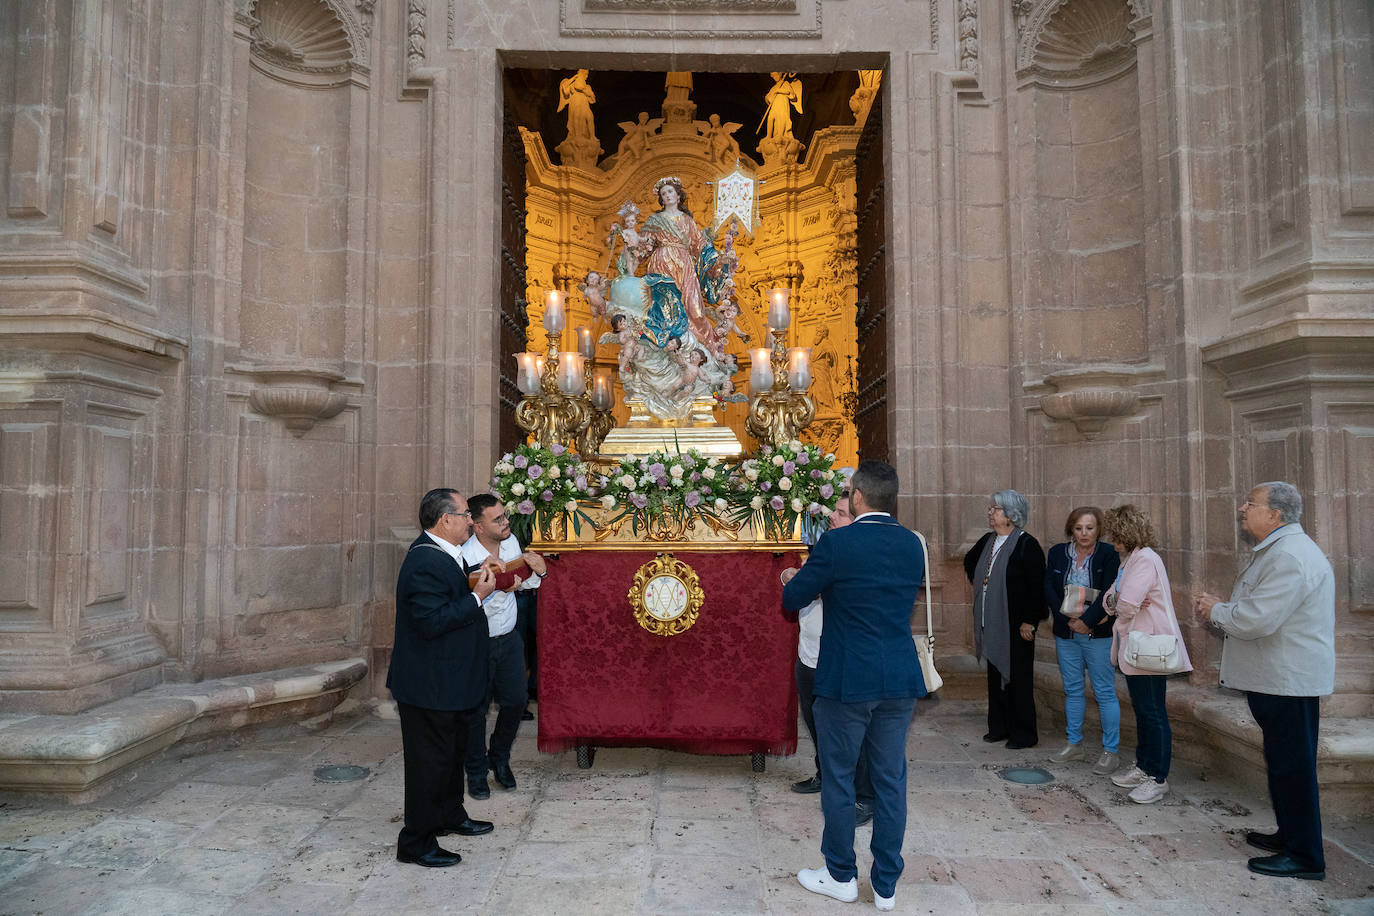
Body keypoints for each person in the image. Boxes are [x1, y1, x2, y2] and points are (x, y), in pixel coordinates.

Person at [782, 460, 926, 911]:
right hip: (898, 677)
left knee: (840, 779)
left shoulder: (837, 542)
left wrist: (800, 579)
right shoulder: (912, 544)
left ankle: (841, 874)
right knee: (890, 780)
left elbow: (792, 599)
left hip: (847, 678)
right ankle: (886, 886)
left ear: (858, 497)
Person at [1194, 482, 1334, 880]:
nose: (1242, 508)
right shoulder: (1280, 550)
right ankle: (1290, 836)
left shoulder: (1289, 555)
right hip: (1280, 678)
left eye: (1251, 504)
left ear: (1275, 515)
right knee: (1285, 764)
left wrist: (1216, 609)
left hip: (1286, 681)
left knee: (1293, 767)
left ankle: (1305, 857)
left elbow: (1257, 618)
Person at [386, 488, 497, 867]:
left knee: (451, 757)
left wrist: (473, 579)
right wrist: (478, 597)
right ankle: (416, 842)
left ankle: (450, 815)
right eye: (466, 513)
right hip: (429, 685)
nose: (471, 519)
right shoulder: (424, 562)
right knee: (427, 765)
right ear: (444, 520)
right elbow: (432, 621)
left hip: (451, 681)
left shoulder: (445, 556)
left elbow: (447, 593)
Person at [788, 475, 875, 827]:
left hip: (839, 653)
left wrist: (808, 585)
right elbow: (802, 587)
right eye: (834, 513)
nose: (833, 518)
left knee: (850, 729)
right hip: (809, 650)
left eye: (840, 513)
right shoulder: (825, 547)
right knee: (815, 720)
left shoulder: (857, 554)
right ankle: (824, 774)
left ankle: (864, 795)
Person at [1101, 504, 1192, 804]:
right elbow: (1110, 599)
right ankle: (1144, 766)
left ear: (1128, 531)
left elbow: (1124, 605)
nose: (1111, 538)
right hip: (1136, 646)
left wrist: (1120, 603)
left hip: (1148, 646)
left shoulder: (1145, 561)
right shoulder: (1128, 561)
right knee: (1143, 710)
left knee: (1153, 712)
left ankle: (1157, 777)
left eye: (1115, 532)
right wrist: (1120, 602)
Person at [459, 494, 548, 798]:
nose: (506, 521)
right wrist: (492, 586)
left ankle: (499, 758)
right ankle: (475, 771)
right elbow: (462, 599)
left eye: (505, 515)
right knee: (475, 710)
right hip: (476, 642)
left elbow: (525, 580)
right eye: (497, 519)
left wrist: (530, 576)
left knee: (515, 701)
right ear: (478, 526)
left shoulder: (510, 544)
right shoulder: (463, 554)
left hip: (508, 637)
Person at [964, 490, 1047, 750]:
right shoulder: (989, 540)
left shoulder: (1026, 544)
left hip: (1016, 624)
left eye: (996, 508)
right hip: (992, 621)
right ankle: (999, 727)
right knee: (995, 676)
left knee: (1018, 679)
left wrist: (1029, 621)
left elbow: (1037, 588)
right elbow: (969, 562)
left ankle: (1023, 733)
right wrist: (984, 585)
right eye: (992, 508)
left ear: (1012, 515)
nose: (991, 512)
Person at [1043, 506, 1121, 775]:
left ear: (1099, 529)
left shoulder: (1109, 554)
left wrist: (1087, 620)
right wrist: (1067, 621)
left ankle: (1110, 751)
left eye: (1090, 528)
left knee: (1104, 691)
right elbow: (1050, 589)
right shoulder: (1057, 553)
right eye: (1078, 528)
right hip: (1067, 634)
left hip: (1097, 634)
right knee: (1073, 689)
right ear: (1071, 529)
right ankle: (1074, 743)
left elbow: (1111, 591)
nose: (1084, 533)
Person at [641, 176, 729, 346]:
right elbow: (644, 246)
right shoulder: (654, 220)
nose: (667, 195)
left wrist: (718, 259)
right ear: (661, 198)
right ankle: (668, 345)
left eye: (670, 191)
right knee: (665, 306)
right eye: (663, 193)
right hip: (662, 263)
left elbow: (700, 245)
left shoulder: (688, 220)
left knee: (695, 309)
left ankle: (700, 347)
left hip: (685, 264)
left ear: (678, 195)